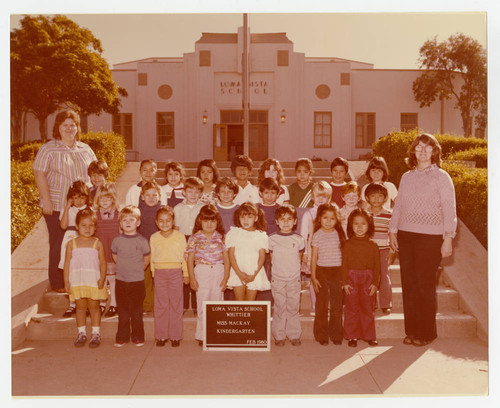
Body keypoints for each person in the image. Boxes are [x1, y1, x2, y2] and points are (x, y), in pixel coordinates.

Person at [389, 133, 457, 347]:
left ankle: (427, 333)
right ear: (413, 151)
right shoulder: (406, 177)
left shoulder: (442, 177)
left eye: (428, 147)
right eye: (419, 147)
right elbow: (398, 206)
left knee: (424, 285)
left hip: (431, 237)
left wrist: (448, 238)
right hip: (406, 235)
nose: (423, 151)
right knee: (410, 284)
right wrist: (392, 230)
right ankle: (412, 330)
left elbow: (449, 208)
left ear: (434, 152)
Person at [33, 110, 97, 291]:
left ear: (77, 127)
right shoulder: (49, 148)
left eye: (73, 125)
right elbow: (39, 173)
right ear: (58, 127)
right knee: (58, 243)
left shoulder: (85, 149)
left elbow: (95, 175)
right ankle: (58, 282)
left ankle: (78, 279)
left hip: (81, 207)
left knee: (82, 243)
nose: (69, 128)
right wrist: (46, 200)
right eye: (65, 125)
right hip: (56, 206)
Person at [63, 208, 107, 348]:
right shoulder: (71, 244)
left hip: (93, 281)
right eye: (83, 225)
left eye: (91, 225)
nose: (87, 228)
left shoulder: (97, 243)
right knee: (80, 308)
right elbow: (67, 264)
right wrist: (66, 281)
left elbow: (103, 263)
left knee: (94, 308)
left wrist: (102, 278)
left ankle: (96, 333)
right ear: (76, 226)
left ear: (95, 227)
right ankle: (81, 333)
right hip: (78, 281)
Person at [186, 205, 230, 346]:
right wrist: (192, 278)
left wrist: (226, 277)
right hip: (202, 271)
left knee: (217, 303)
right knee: (202, 303)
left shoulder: (221, 237)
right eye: (206, 221)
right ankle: (202, 335)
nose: (209, 224)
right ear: (200, 221)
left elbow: (227, 258)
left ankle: (216, 333)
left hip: (218, 270)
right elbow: (190, 259)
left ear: (217, 222)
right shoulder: (194, 238)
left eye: (213, 221)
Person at [111, 206, 151, 347]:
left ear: (138, 222)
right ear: (120, 223)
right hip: (121, 281)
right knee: (123, 311)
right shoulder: (117, 240)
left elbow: (146, 258)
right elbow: (115, 256)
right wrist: (124, 268)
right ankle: (122, 336)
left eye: (132, 220)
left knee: (136, 311)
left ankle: (138, 336)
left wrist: (138, 269)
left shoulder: (142, 241)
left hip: (137, 281)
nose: (128, 222)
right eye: (124, 220)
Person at [149, 206, 188, 347]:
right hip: (159, 273)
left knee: (176, 304)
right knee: (161, 304)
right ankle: (161, 335)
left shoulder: (180, 236)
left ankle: (175, 336)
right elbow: (153, 256)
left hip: (175, 272)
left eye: (168, 220)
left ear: (173, 221)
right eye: (161, 221)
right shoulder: (154, 237)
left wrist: (186, 273)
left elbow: (185, 255)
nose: (165, 223)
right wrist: (153, 273)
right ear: (156, 222)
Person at [342, 209, 380, 347]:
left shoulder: (373, 245)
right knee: (352, 307)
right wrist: (345, 282)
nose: (359, 227)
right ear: (350, 226)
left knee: (367, 307)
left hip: (367, 278)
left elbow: (377, 267)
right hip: (351, 278)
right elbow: (344, 265)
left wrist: (375, 283)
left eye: (363, 224)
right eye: (356, 223)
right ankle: (352, 336)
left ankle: (369, 335)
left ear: (369, 225)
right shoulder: (347, 244)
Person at [269, 205, 305, 346]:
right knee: (279, 307)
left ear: (295, 221)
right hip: (278, 278)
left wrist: (293, 274)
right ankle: (279, 335)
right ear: (277, 221)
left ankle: (294, 334)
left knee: (293, 307)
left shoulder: (299, 239)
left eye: (289, 219)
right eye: (282, 219)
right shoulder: (272, 239)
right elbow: (272, 259)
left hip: (294, 279)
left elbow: (299, 258)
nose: (286, 222)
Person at [310, 203, 346, 345]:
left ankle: (336, 334)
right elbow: (314, 257)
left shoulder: (340, 234)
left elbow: (344, 256)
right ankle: (321, 335)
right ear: (319, 219)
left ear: (337, 219)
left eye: (332, 218)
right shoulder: (317, 235)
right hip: (321, 272)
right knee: (322, 305)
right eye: (325, 217)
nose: (328, 221)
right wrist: (313, 276)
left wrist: (344, 276)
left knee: (337, 305)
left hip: (337, 272)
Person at [59, 180, 92, 318]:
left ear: (86, 197)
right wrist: (67, 207)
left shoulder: (90, 210)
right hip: (70, 237)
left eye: (82, 197)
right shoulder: (69, 210)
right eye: (75, 197)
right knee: (71, 271)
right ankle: (72, 304)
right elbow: (63, 225)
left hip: (85, 240)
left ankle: (87, 304)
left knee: (85, 272)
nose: (79, 200)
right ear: (71, 198)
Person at [299, 181, 332, 316]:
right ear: (312, 197)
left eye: (324, 196)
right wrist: (305, 252)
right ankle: (315, 304)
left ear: (328, 198)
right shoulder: (309, 214)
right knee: (315, 278)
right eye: (317, 196)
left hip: (329, 251)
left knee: (328, 278)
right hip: (313, 251)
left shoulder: (332, 212)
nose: (320, 199)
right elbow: (303, 234)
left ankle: (327, 304)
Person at [226, 202, 270, 301]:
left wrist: (253, 275)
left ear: (256, 218)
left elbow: (262, 257)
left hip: (254, 273)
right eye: (242, 217)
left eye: (249, 217)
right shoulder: (233, 233)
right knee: (239, 302)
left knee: (250, 303)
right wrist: (239, 273)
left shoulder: (260, 235)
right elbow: (231, 255)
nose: (245, 220)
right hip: (237, 271)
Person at [174, 176, 205, 314]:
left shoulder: (204, 207)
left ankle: (197, 305)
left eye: (196, 192)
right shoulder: (177, 208)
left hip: (199, 240)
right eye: (190, 191)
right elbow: (175, 227)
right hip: (183, 239)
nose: (193, 194)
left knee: (197, 272)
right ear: (184, 192)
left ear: (201, 194)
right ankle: (184, 304)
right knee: (184, 271)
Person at [365, 183, 394, 314]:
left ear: (385, 198)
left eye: (380, 196)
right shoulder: (364, 214)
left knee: (384, 276)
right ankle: (371, 303)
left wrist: (392, 251)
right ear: (367, 198)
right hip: (368, 251)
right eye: (373, 196)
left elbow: (393, 234)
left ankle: (385, 303)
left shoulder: (389, 215)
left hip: (384, 250)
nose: (376, 199)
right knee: (369, 277)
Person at [94, 182, 121, 318]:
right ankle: (102, 302)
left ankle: (114, 304)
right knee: (101, 278)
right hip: (100, 252)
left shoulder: (118, 214)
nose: (104, 201)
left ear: (113, 199)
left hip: (113, 252)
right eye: (101, 198)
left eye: (108, 198)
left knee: (113, 279)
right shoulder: (95, 215)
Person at [137, 181, 163, 313]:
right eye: (148, 195)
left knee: (159, 279)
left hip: (160, 250)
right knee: (146, 279)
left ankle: (159, 304)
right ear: (142, 197)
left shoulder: (163, 210)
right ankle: (147, 304)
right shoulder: (138, 211)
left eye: (154, 195)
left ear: (159, 196)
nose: (151, 198)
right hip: (144, 251)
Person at [287, 158, 314, 228]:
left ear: (310, 173)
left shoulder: (314, 188)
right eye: (299, 172)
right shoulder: (291, 188)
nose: (302, 175)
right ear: (295, 172)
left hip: (311, 221)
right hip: (296, 221)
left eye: (305, 172)